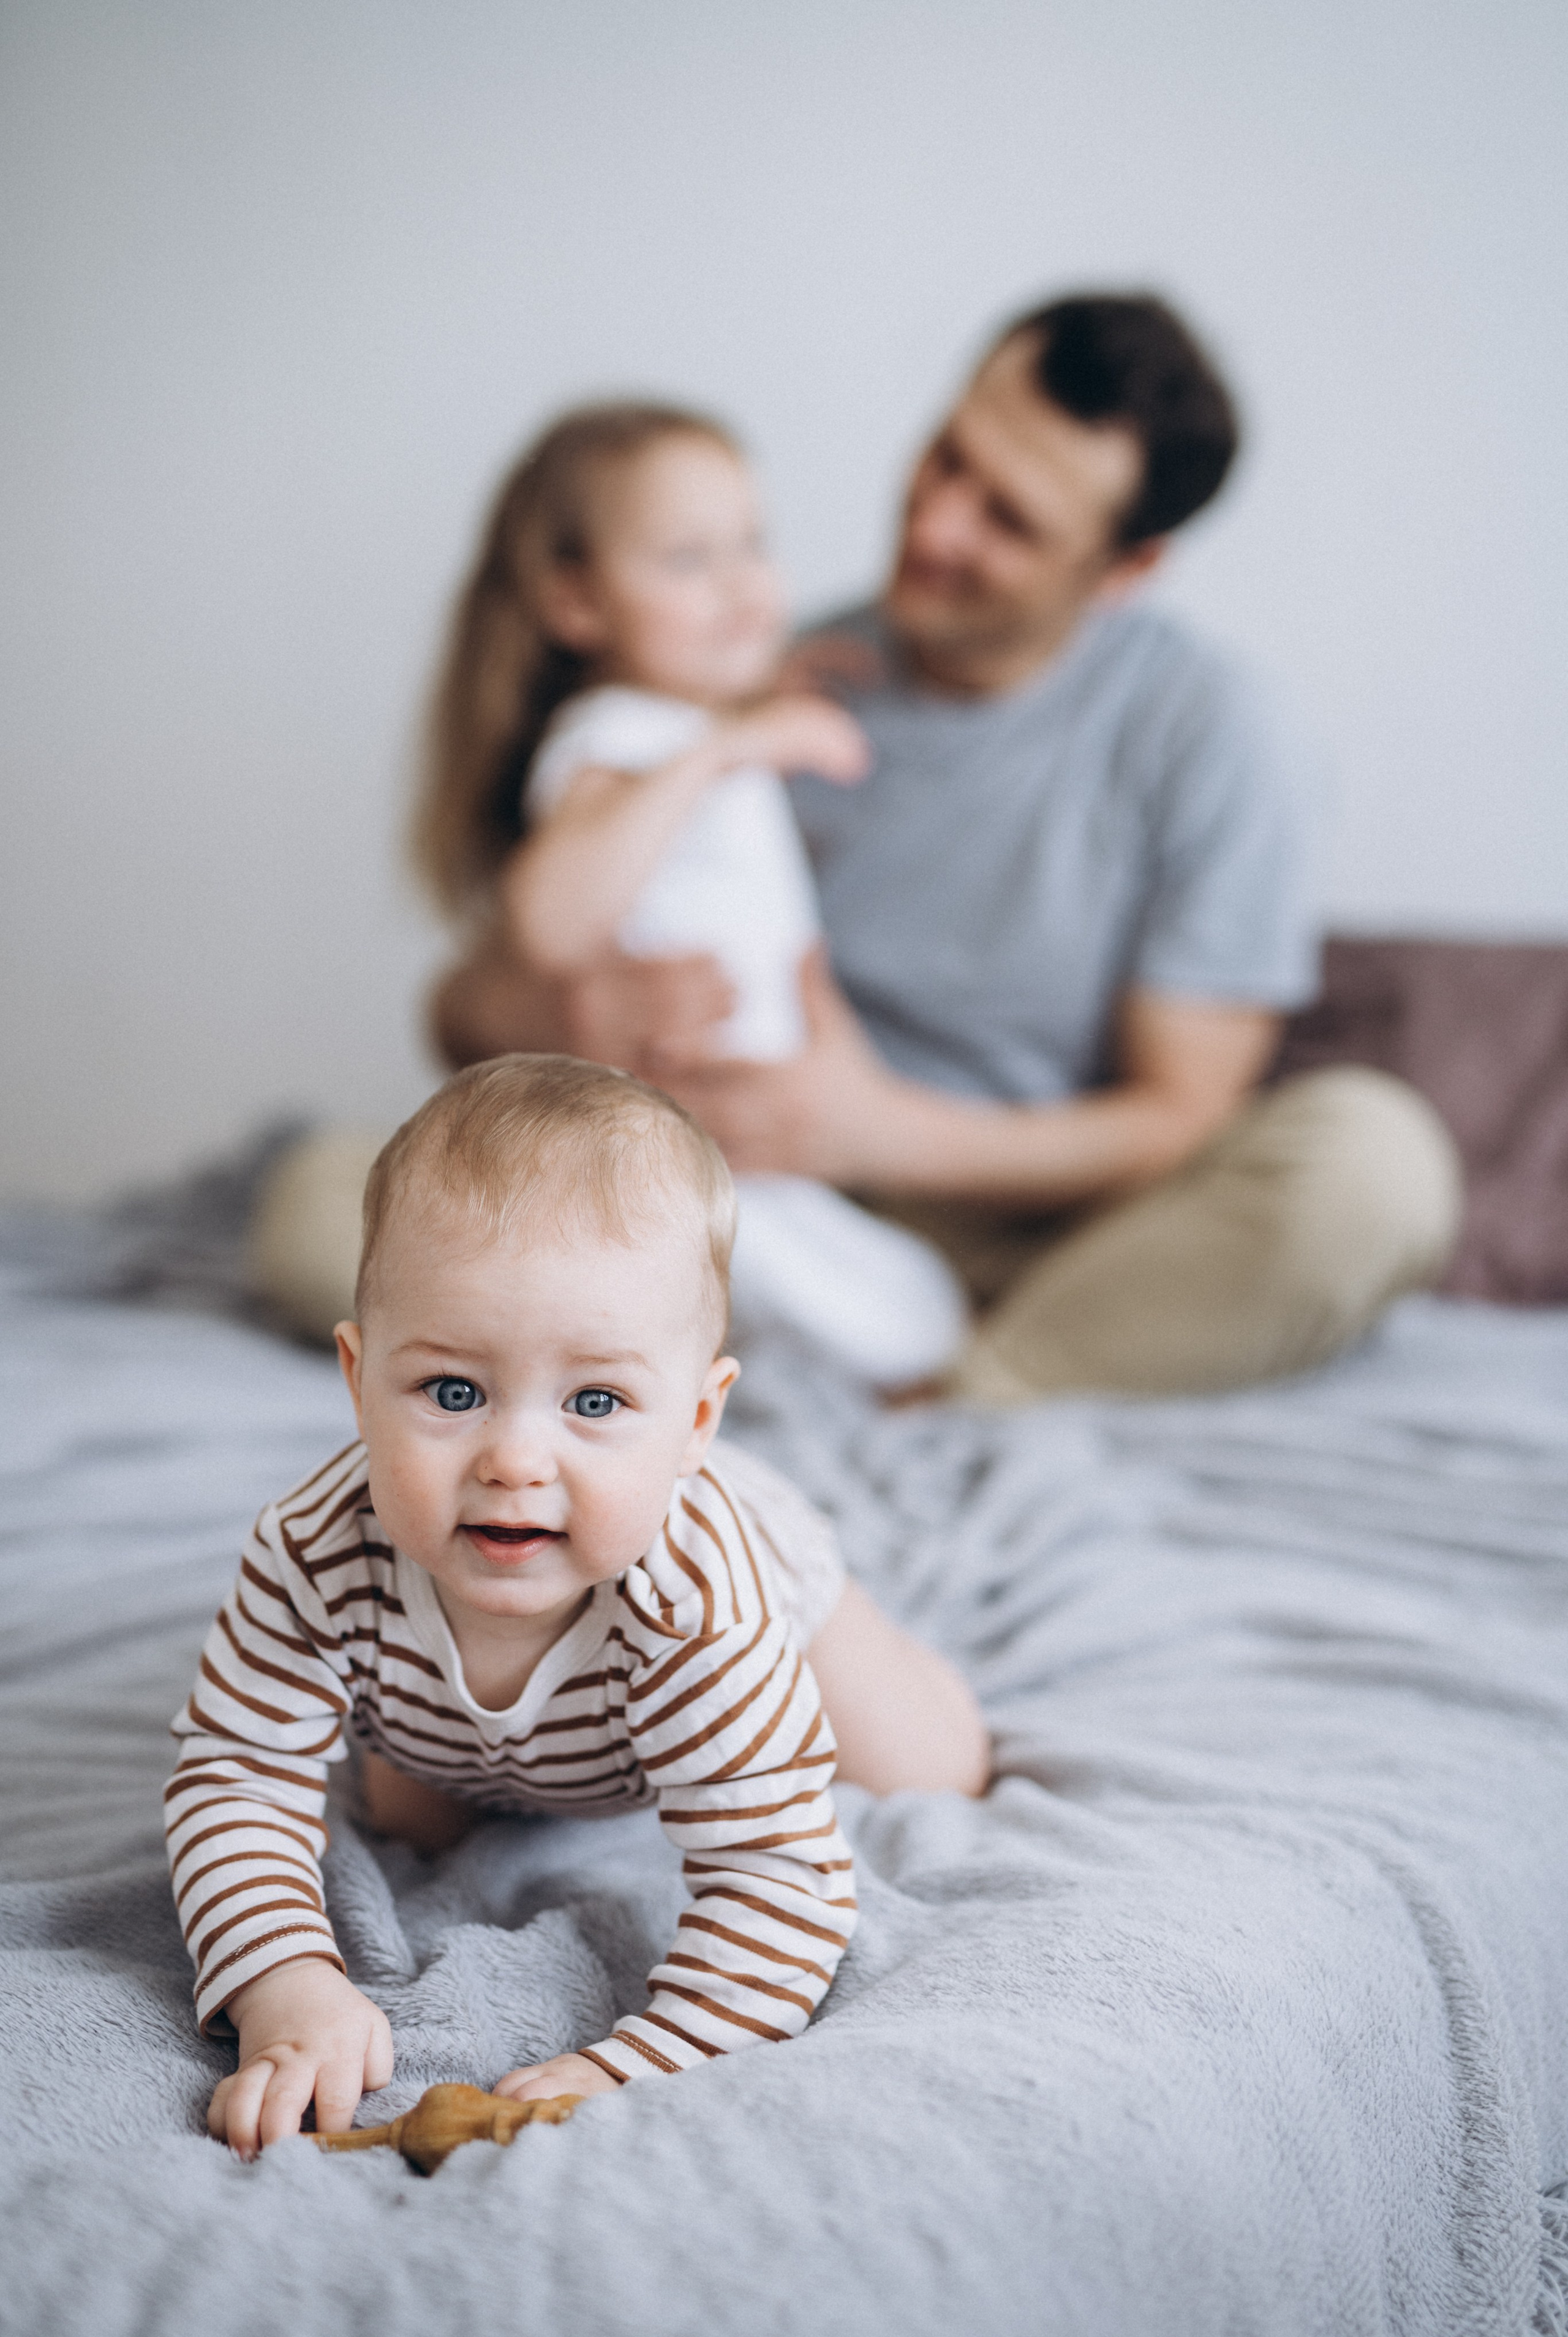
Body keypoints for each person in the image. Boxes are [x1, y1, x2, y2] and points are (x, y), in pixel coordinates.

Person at [421, 292, 1461, 1400]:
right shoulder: (760, 676)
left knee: (1376, 1169)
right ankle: (839, 1361)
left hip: (1063, 1244)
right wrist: (569, 1018)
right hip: (753, 1193)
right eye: (948, 458)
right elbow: (468, 1004)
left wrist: (870, 1130)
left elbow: (1181, 1115)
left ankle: (967, 1389)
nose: (937, 530)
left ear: (1125, 569)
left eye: (1009, 520)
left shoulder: (1216, 735)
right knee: (339, 1202)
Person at [173, 1054, 989, 2158]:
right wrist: (284, 1984)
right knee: (415, 1824)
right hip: (452, 1717)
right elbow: (237, 1778)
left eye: (595, 1401)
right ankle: (494, 1743)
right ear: (358, 1382)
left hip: (760, 1592)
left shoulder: (704, 1607)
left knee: (935, 1765)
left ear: (696, 1422)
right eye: (453, 1392)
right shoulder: (312, 1552)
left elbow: (778, 1881)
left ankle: (871, 1656)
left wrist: (639, 2061)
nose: (515, 1459)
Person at [420, 399, 965, 1384]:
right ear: (577, 603)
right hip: (680, 1146)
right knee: (881, 1329)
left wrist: (748, 708)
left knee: (917, 1299)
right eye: (687, 559)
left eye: (752, 543)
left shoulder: (680, 728)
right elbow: (547, 921)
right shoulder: (609, 741)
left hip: (762, 1140)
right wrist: (728, 746)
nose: (743, 584)